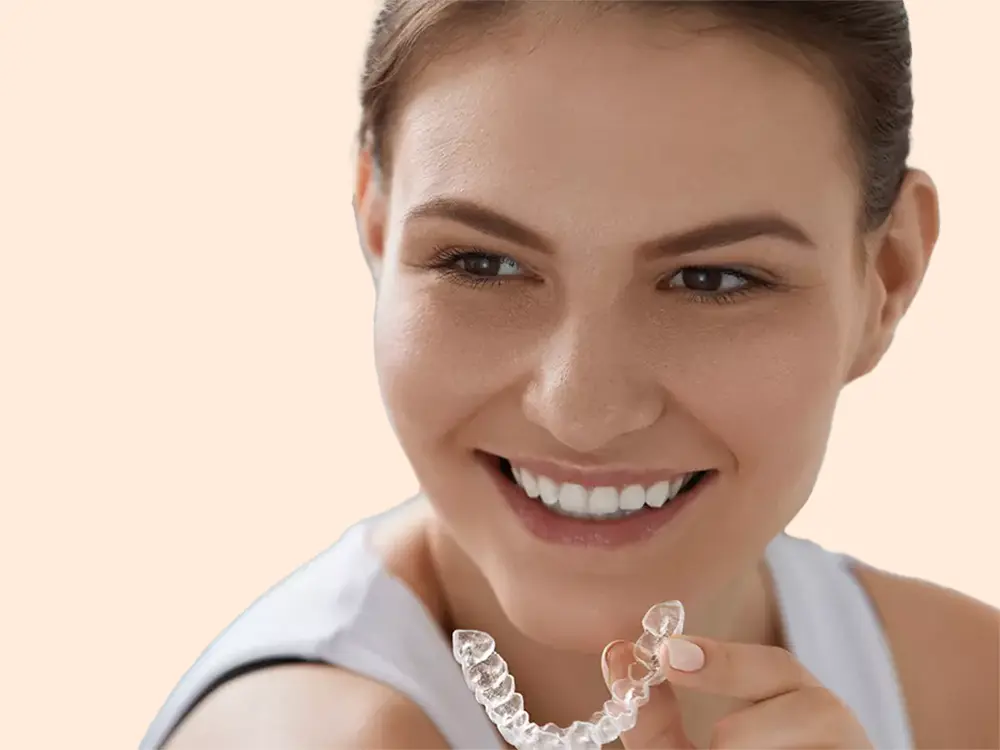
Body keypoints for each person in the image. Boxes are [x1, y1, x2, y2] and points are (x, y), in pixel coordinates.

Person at [141, 1, 999, 748]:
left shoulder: (968, 692)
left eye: (713, 279)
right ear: (377, 224)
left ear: (887, 279)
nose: (581, 411)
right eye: (482, 263)